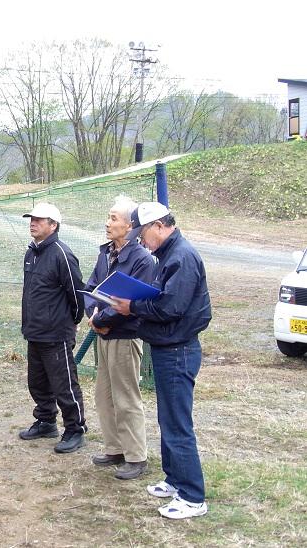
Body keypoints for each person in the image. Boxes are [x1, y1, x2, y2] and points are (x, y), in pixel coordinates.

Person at [110, 201, 212, 519]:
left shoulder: (181, 256)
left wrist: (132, 307)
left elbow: (171, 307)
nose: (141, 240)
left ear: (159, 226)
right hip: (168, 346)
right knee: (168, 419)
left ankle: (192, 497)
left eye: (143, 234)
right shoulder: (168, 255)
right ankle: (174, 479)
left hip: (178, 350)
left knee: (178, 423)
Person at [84, 197, 155, 480]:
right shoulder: (106, 253)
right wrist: (93, 315)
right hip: (103, 336)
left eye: (113, 218)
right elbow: (91, 288)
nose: (107, 223)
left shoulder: (142, 260)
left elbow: (131, 301)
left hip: (125, 337)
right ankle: (114, 449)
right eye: (108, 217)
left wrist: (100, 320)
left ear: (129, 225)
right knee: (104, 396)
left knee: (126, 398)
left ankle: (136, 456)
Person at [19, 202, 87, 453]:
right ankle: (46, 421)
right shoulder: (31, 253)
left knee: (64, 384)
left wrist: (72, 322)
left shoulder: (62, 254)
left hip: (56, 333)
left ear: (53, 225)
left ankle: (75, 429)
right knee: (37, 382)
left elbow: (77, 294)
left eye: (39, 219)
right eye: (31, 219)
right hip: (34, 331)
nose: (33, 223)